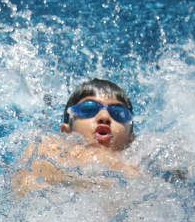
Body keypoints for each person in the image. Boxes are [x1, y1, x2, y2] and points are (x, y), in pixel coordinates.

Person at [12, 78, 140, 194]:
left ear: (131, 139)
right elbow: (24, 187)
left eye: (118, 114)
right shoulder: (47, 150)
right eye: (88, 109)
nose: (104, 117)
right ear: (66, 131)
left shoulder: (138, 165)